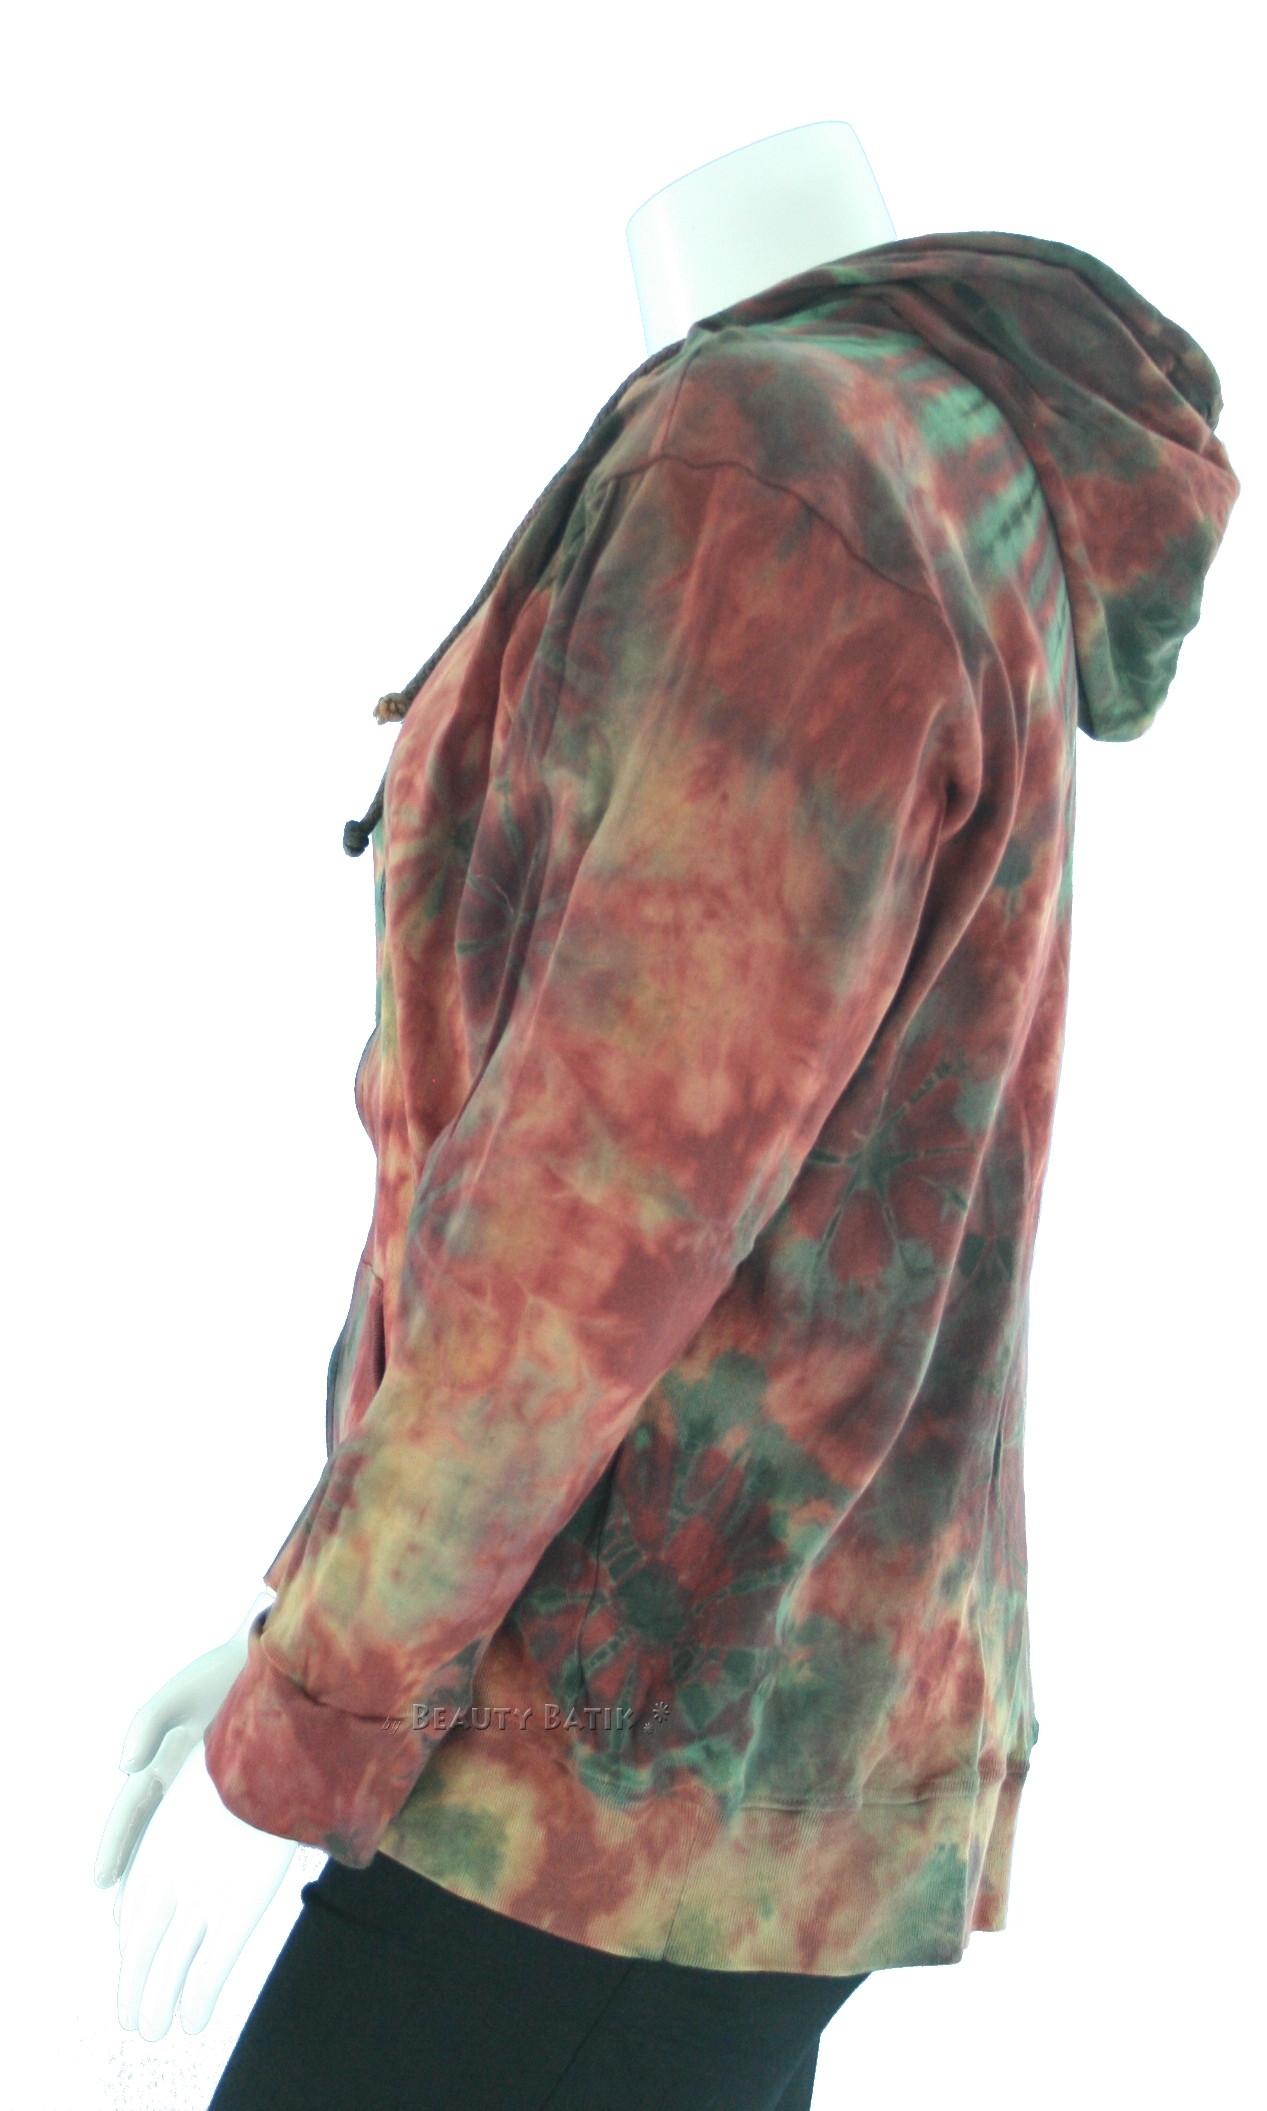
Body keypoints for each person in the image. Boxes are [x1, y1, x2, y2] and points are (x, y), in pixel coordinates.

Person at [94, 119, 1238, 2109]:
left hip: (603, 1769)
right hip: (722, 1735)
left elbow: (598, 1209)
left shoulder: (778, 472)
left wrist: (314, 1717)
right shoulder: (929, 469)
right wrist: (311, 1632)